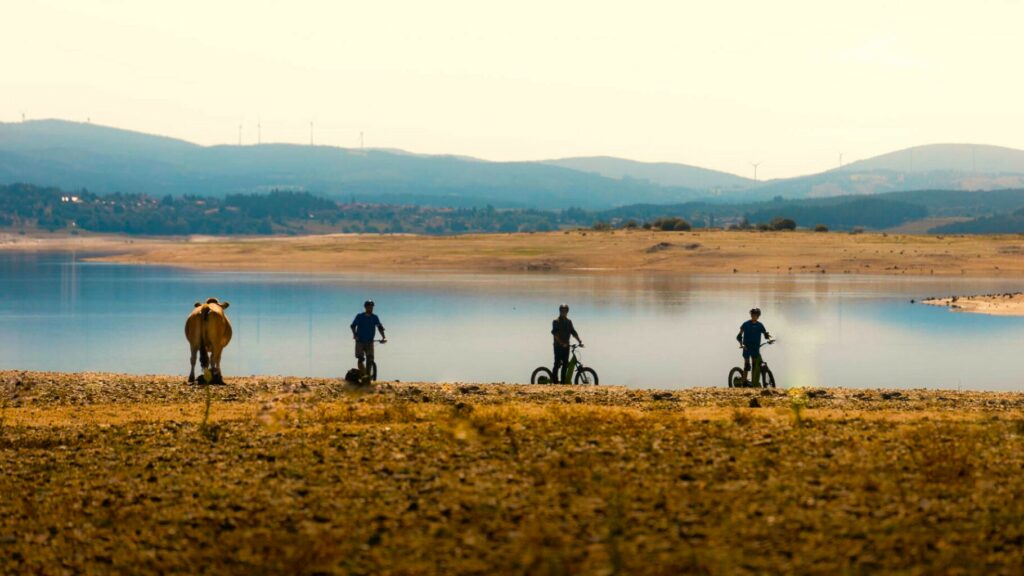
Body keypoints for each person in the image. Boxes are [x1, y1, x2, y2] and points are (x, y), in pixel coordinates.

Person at [736, 307, 772, 386]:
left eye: (755, 315)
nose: (754, 316)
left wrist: (769, 339)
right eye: (752, 314)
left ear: (758, 316)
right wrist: (741, 344)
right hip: (747, 348)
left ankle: (754, 382)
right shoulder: (745, 324)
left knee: (755, 366)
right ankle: (744, 382)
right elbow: (738, 336)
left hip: (755, 348)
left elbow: (765, 334)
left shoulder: (760, 325)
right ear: (751, 315)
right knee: (747, 365)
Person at [351, 300, 386, 376]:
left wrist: (384, 337)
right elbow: (353, 326)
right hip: (359, 341)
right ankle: (364, 375)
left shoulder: (375, 317)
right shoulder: (359, 316)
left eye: (372, 307)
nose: (370, 308)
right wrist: (355, 335)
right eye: (369, 307)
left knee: (370, 359)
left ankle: (369, 377)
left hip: (370, 341)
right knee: (361, 359)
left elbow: (379, 327)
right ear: (365, 307)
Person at [551, 303, 583, 383]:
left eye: (565, 311)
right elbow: (555, 334)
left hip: (566, 347)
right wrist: (561, 343)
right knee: (557, 364)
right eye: (562, 311)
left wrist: (579, 341)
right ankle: (554, 381)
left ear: (567, 312)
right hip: (558, 346)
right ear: (560, 311)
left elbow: (573, 332)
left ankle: (562, 382)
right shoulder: (555, 321)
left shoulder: (569, 322)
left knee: (565, 364)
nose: (563, 312)